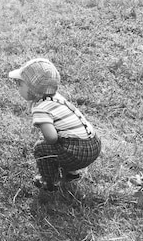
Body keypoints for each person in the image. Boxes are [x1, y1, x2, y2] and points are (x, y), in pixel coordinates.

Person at [8, 58, 101, 192]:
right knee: (66, 139)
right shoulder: (56, 98)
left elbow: (52, 137)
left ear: (32, 90)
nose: (17, 87)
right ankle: (71, 173)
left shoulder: (41, 107)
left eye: (19, 84)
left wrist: (46, 138)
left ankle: (49, 181)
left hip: (79, 152)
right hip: (94, 143)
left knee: (41, 148)